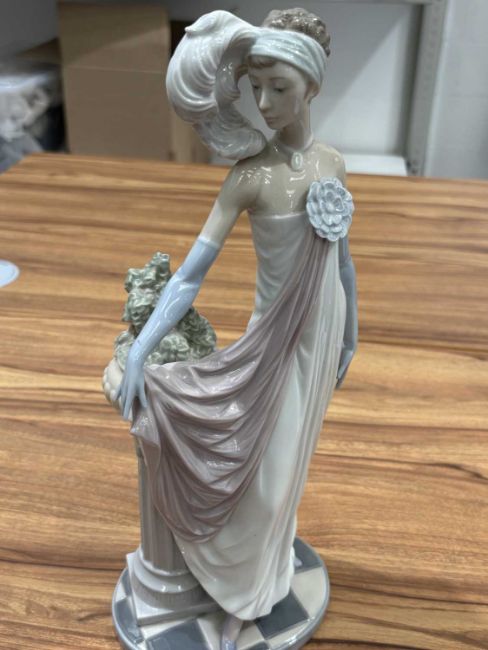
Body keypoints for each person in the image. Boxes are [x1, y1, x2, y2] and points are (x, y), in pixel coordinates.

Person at [116, 8, 357, 650]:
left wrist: (352, 330)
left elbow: (342, 259)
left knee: (291, 469)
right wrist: (139, 352)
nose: (265, 103)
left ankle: (266, 583)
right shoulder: (250, 177)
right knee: (263, 479)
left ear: (311, 85)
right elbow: (191, 275)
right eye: (256, 88)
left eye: (279, 87)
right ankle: (240, 596)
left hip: (322, 329)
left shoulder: (333, 163)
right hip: (272, 342)